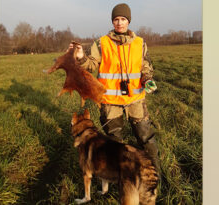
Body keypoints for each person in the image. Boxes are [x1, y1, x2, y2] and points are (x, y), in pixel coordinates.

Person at [69, 3, 160, 172]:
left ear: (128, 21)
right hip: (110, 103)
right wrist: (81, 57)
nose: (120, 22)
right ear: (112, 22)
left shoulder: (140, 43)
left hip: (135, 101)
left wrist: (147, 80)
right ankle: (120, 177)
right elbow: (90, 65)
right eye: (116, 19)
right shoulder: (101, 43)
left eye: (123, 19)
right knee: (115, 142)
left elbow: (145, 67)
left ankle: (155, 173)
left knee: (146, 138)